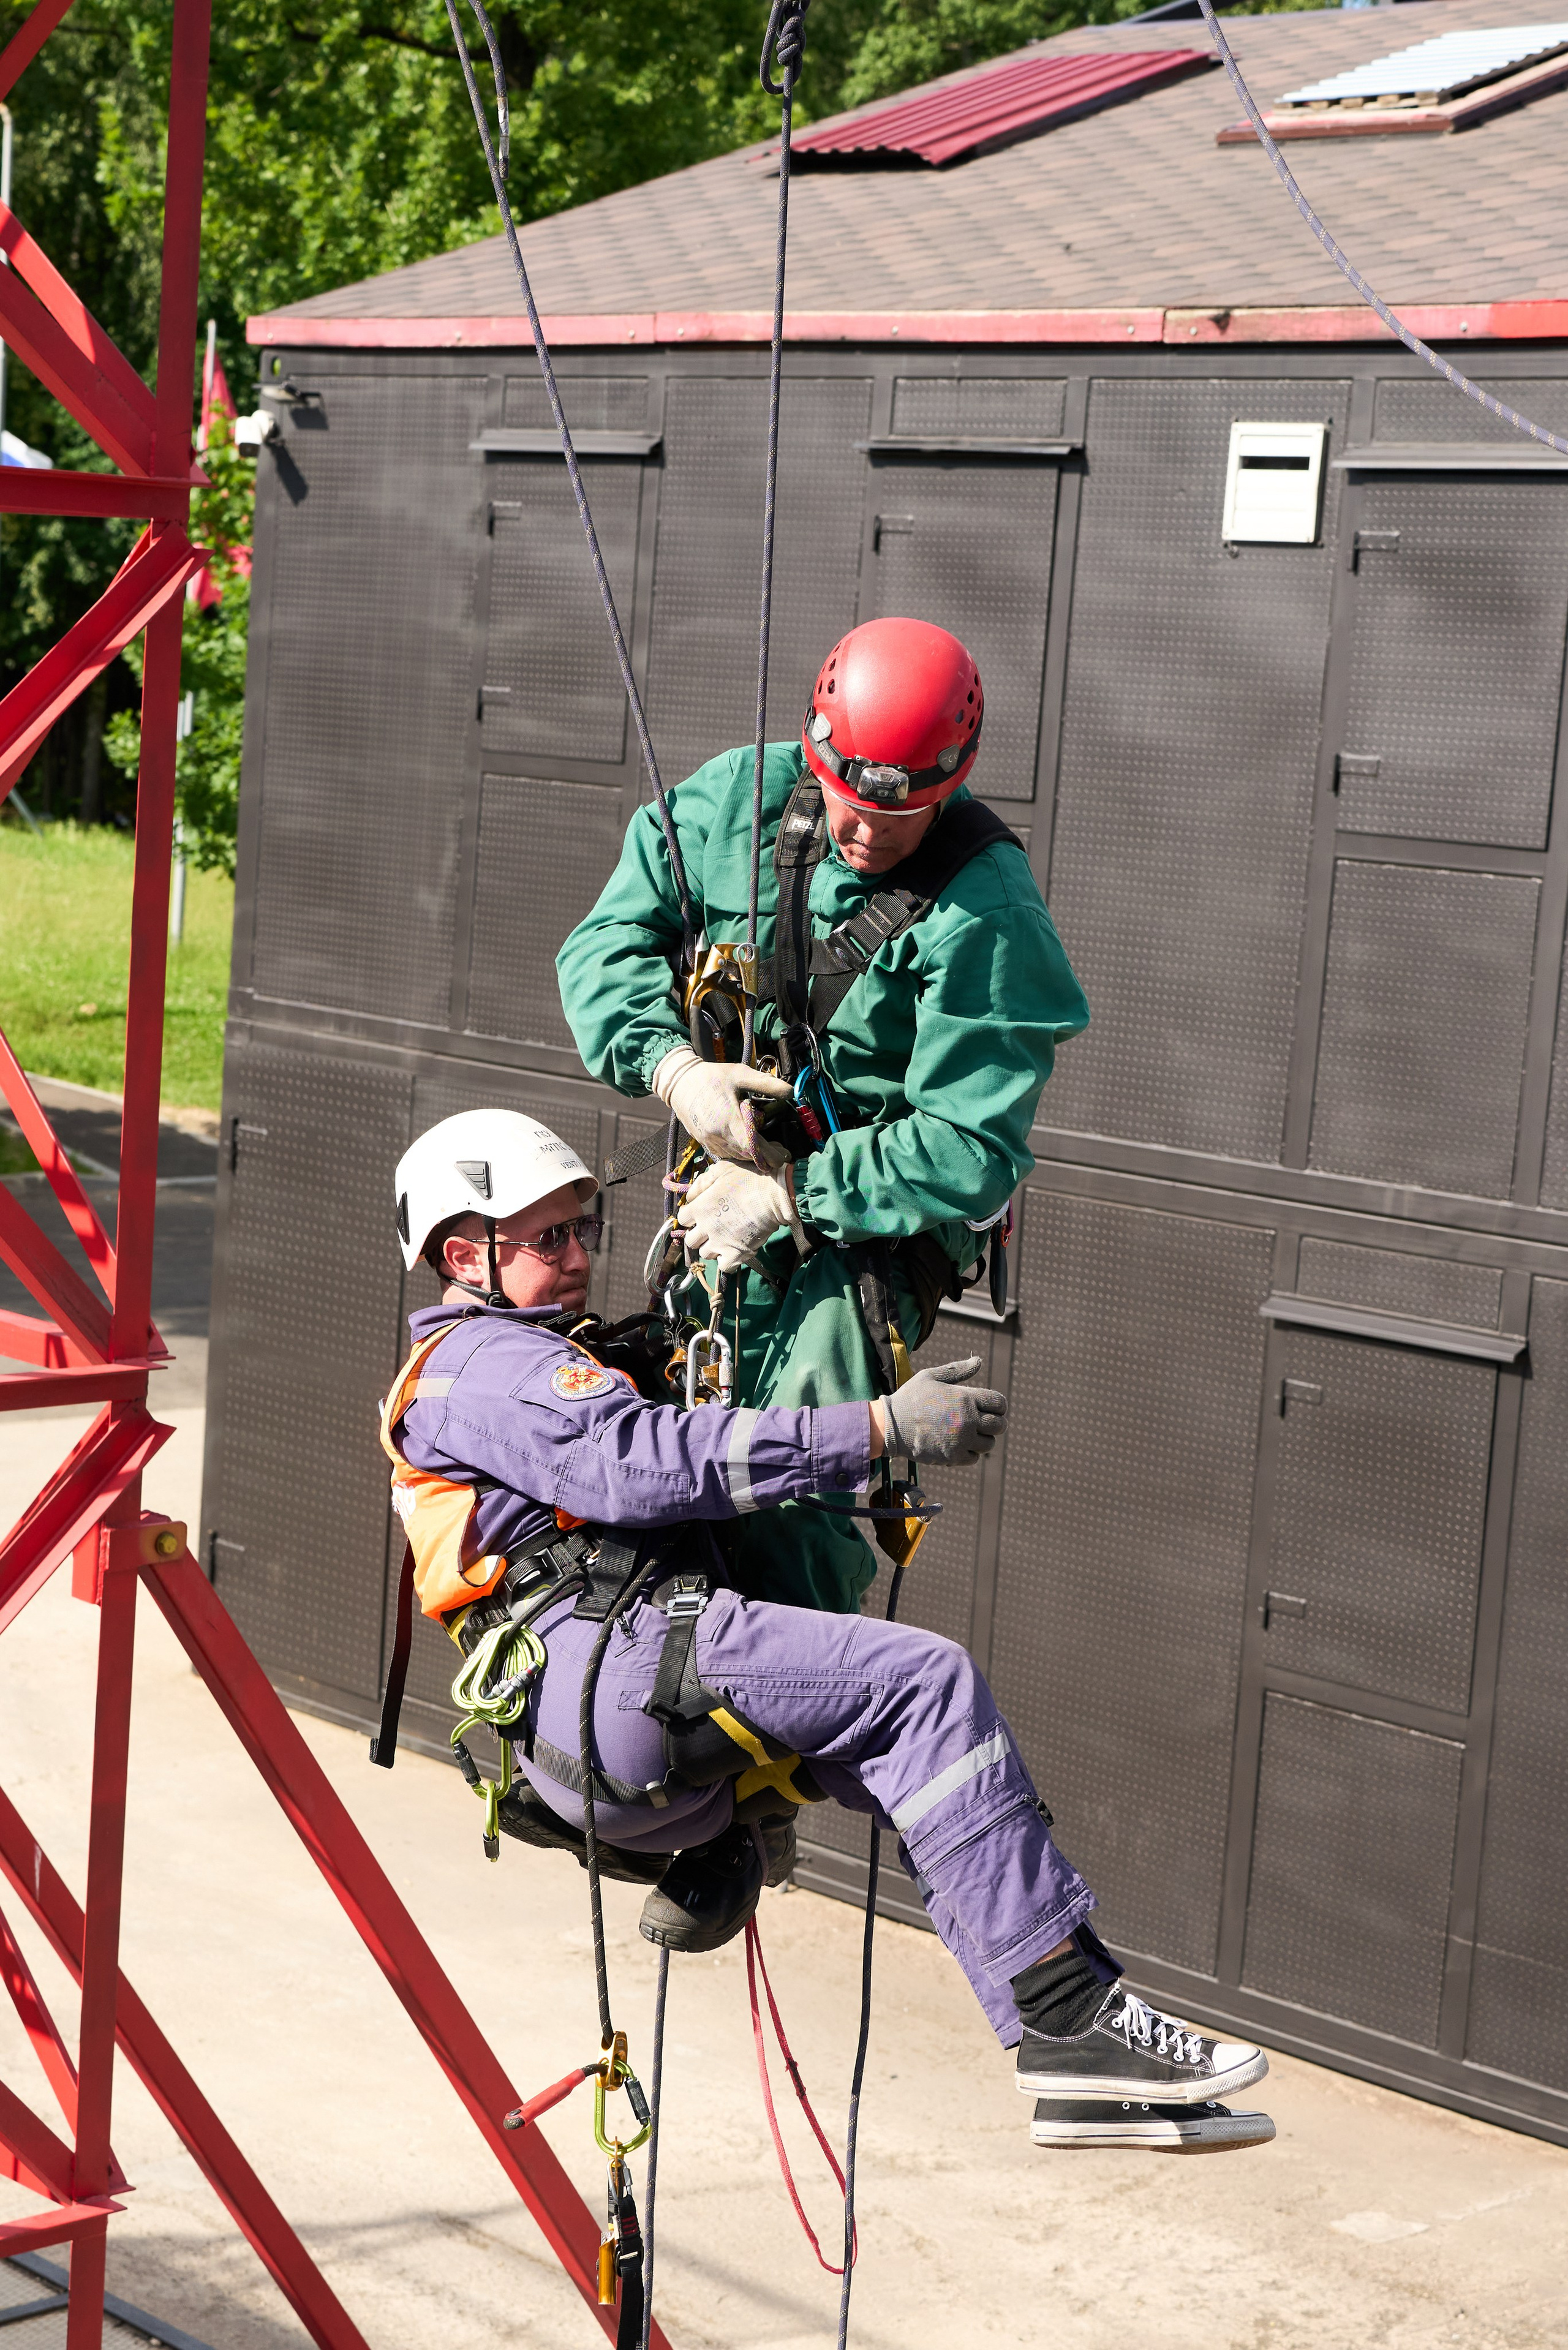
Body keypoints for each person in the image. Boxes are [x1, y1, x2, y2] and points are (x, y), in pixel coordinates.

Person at [383, 1109, 1273, 2153]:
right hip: (622, 1678)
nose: (579, 1257)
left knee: (925, 1756)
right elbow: (639, 1462)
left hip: (601, 1732)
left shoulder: (528, 1359)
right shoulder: (481, 1364)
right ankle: (1067, 2017)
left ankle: (1066, 2034)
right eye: (548, 1240)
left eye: (583, 1231)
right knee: (925, 1685)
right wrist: (878, 1430)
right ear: (462, 1256)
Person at [556, 616, 1090, 1618]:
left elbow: (970, 1146)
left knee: (794, 1469)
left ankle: (780, 1718)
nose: (863, 832)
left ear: (951, 783)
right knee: (661, 1435)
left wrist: (792, 1192)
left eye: (899, 816)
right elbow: (605, 944)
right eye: (844, 800)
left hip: (869, 1234)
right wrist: (675, 1070)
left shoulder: (988, 912)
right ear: (816, 750)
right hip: (718, 1185)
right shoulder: (738, 801)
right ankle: (647, 1687)